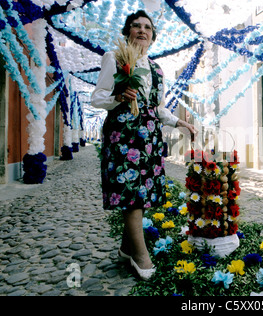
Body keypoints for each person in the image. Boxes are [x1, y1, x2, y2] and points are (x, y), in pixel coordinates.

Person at [91, 10, 196, 280]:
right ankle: (141, 255)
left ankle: (127, 249)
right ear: (127, 32)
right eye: (136, 26)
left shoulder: (157, 69)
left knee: (144, 192)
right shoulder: (112, 59)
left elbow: (157, 108)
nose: (142, 30)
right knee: (131, 191)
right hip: (123, 134)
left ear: (152, 36)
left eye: (147, 27)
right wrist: (117, 95)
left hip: (149, 136)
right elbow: (97, 97)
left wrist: (180, 123)